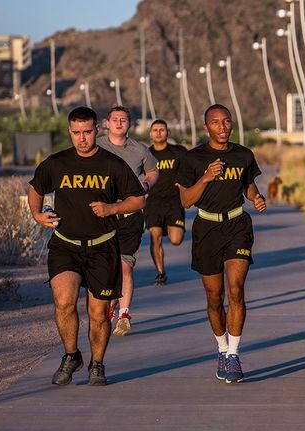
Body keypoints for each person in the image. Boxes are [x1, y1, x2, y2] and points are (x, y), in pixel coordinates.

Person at [27, 106, 145, 386]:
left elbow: (138, 200)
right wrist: (36, 214)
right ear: (70, 131)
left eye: (88, 132)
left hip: (103, 248)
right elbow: (36, 188)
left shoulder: (112, 165)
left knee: (98, 313)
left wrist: (112, 208)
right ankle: (71, 355)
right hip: (65, 246)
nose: (82, 138)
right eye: (76, 132)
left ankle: (97, 363)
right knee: (64, 303)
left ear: (97, 130)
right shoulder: (56, 163)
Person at [175, 104, 267, 384]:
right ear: (207, 128)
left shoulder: (243, 155)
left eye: (227, 121)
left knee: (236, 290)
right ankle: (221, 349)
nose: (223, 126)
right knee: (215, 298)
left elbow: (248, 185)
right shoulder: (193, 158)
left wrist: (256, 197)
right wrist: (206, 177)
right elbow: (186, 201)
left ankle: (234, 355)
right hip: (206, 227)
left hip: (237, 225)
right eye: (216, 122)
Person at [97, 106, 159, 336]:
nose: (119, 123)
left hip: (131, 215)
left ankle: (123, 314)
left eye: (123, 119)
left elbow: (153, 172)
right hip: (102, 214)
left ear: (129, 124)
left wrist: (146, 185)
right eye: (115, 119)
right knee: (104, 268)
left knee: (124, 266)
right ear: (106, 122)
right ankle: (111, 300)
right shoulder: (98, 146)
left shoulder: (140, 150)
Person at [146, 119, 187, 285]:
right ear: (150, 134)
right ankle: (160, 272)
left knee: (176, 240)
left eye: (161, 130)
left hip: (174, 202)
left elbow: (191, 169)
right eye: (155, 130)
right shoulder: (145, 154)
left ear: (167, 133)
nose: (158, 133)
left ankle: (167, 227)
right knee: (155, 237)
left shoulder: (178, 152)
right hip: (153, 203)